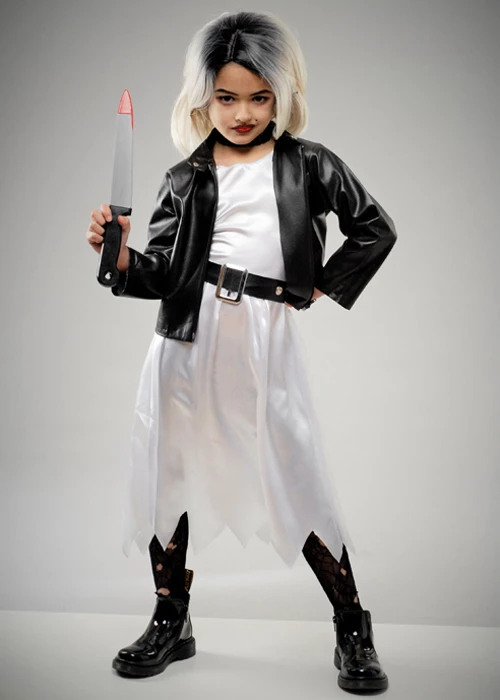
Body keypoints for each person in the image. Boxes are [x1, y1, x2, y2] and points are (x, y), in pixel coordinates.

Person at [86, 10, 397, 693]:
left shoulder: (308, 164)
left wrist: (318, 286)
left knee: (297, 472)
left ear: (282, 93)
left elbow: (375, 228)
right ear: (203, 97)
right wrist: (119, 255)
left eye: (260, 96)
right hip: (184, 339)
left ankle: (352, 627)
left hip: (263, 340)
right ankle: (171, 618)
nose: (244, 113)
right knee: (166, 471)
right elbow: (162, 273)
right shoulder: (184, 177)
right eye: (226, 97)